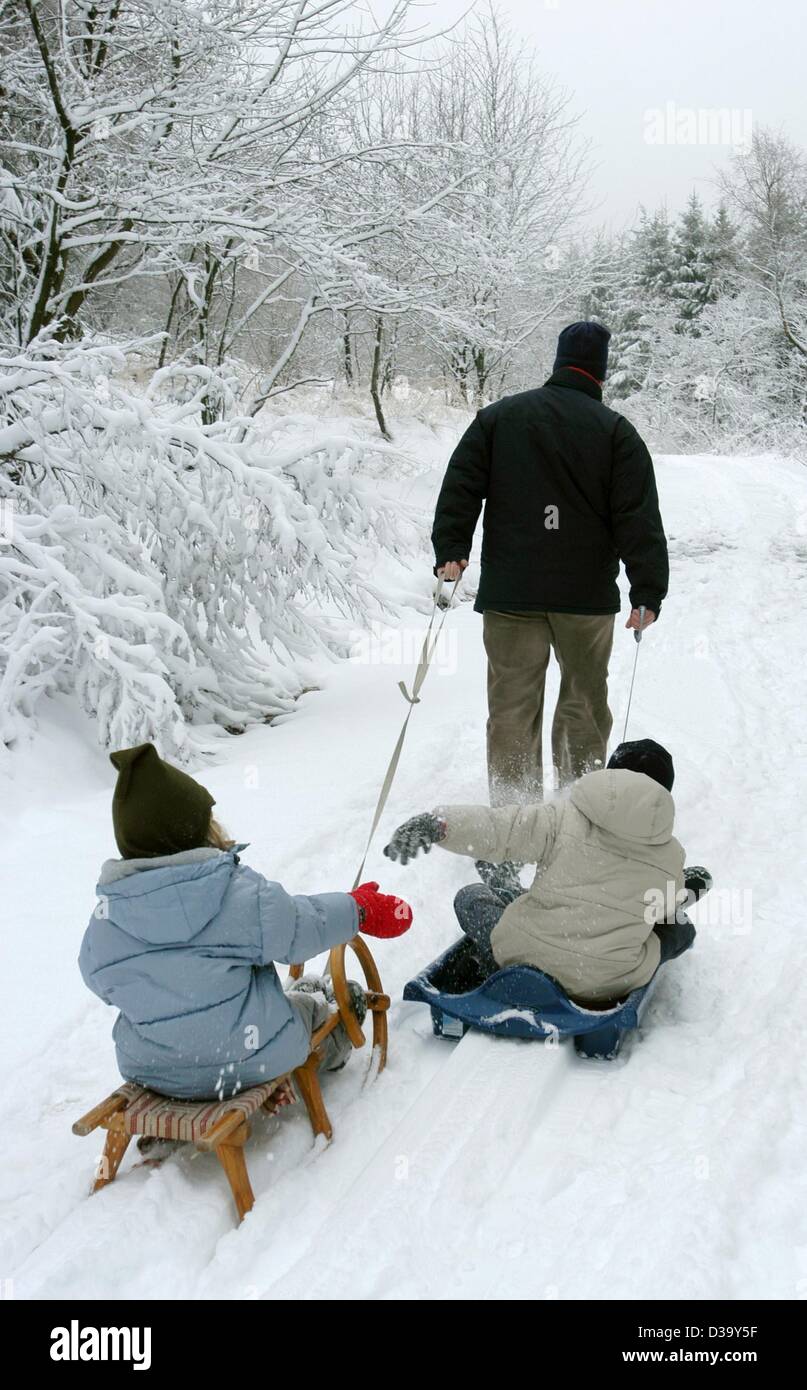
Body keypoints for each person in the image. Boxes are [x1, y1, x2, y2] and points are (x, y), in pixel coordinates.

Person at [79, 743, 412, 1100]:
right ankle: (336, 1044)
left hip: (154, 1069)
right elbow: (302, 929)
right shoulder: (236, 895)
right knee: (309, 1012)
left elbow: (98, 981)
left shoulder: (105, 923)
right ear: (195, 831)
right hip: (249, 1057)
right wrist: (358, 909)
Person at [431, 321, 669, 812]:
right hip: (585, 600)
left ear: (557, 363)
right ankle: (576, 811)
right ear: (601, 373)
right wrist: (647, 590)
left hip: (511, 597)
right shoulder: (616, 433)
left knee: (512, 710)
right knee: (583, 707)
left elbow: (460, 485)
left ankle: (515, 819)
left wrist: (452, 548)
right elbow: (637, 518)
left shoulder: (498, 418)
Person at [385, 739, 709, 1009]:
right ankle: (515, 894)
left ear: (608, 779)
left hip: (524, 958)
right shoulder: (669, 855)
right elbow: (660, 912)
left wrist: (440, 826)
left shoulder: (562, 817)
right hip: (603, 982)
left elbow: (502, 828)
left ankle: (506, 897)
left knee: (471, 897)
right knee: (677, 925)